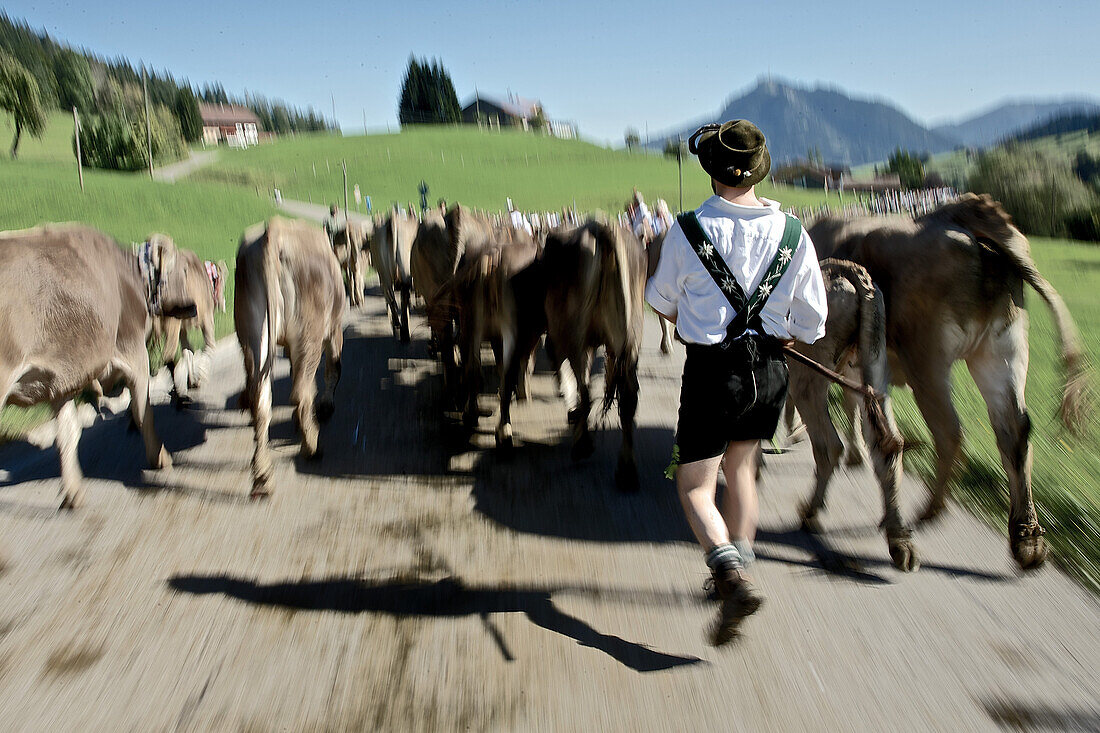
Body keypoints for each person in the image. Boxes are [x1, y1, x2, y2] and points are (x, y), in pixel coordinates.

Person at [645, 119, 827, 645]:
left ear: (710, 171)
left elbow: (659, 301)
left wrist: (693, 314)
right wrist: (784, 334)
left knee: (694, 485)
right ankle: (740, 569)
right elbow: (813, 323)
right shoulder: (794, 233)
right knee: (742, 470)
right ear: (758, 172)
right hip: (769, 373)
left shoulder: (688, 230)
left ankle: (726, 571)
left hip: (711, 372)